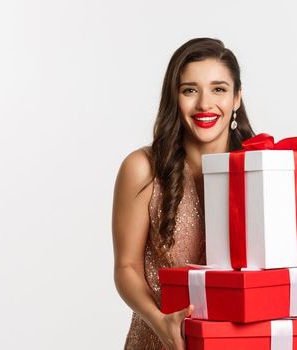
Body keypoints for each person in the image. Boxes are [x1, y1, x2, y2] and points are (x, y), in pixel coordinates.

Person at [112, 37, 254, 350]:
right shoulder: (143, 169)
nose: (205, 103)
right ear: (174, 97)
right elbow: (127, 267)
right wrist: (159, 318)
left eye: (219, 89)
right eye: (190, 89)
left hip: (241, 342)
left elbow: (284, 268)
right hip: (160, 339)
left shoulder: (264, 171)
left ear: (237, 98)